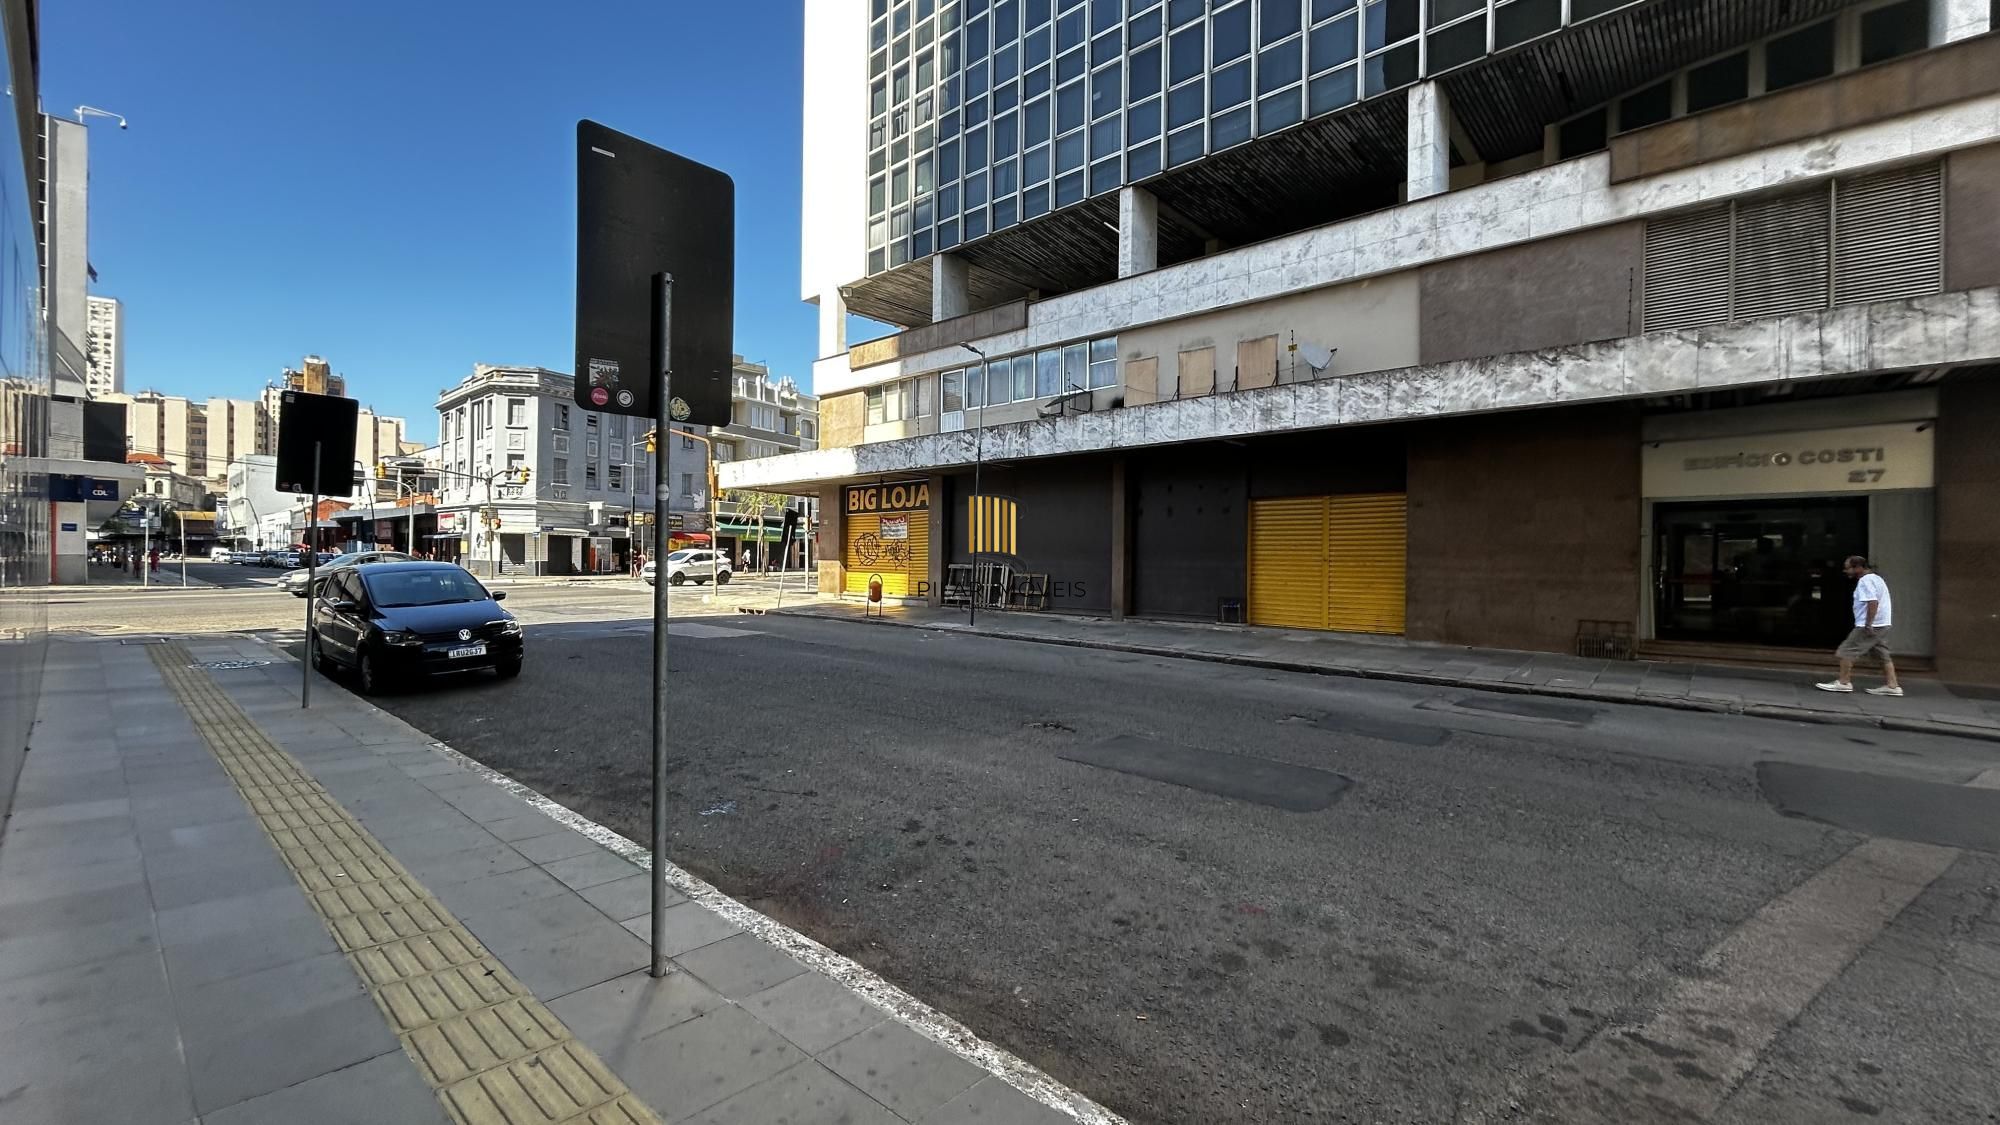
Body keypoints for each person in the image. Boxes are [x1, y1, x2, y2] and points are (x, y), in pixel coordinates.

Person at [1817, 555, 1901, 697]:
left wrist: (1868, 623)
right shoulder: (1877, 579)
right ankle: (1892, 685)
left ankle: (1843, 682)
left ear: (1858, 568)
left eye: (1848, 568)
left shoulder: (1865, 581)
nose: (1846, 571)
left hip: (1869, 624)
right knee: (1882, 654)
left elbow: (1872, 602)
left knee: (1846, 650)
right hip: (1882, 623)